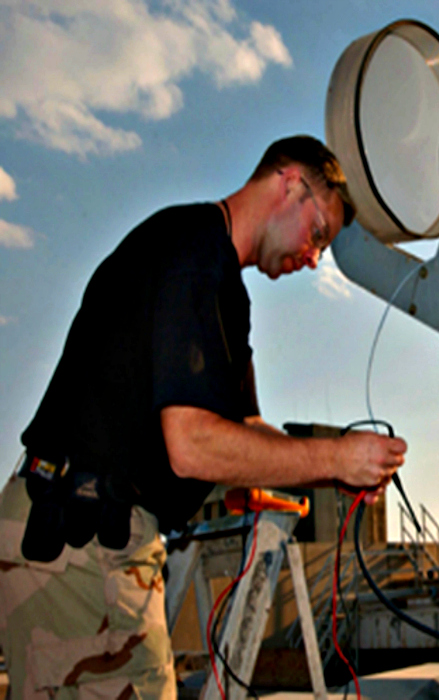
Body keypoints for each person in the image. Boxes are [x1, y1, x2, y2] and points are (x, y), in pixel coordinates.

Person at [0, 135, 407, 699]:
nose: (314, 259)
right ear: (289, 182)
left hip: (76, 533)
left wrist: (335, 471)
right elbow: (192, 445)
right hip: (79, 538)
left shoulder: (221, 290)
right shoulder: (194, 253)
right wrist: (335, 454)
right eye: (317, 236)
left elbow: (245, 431)